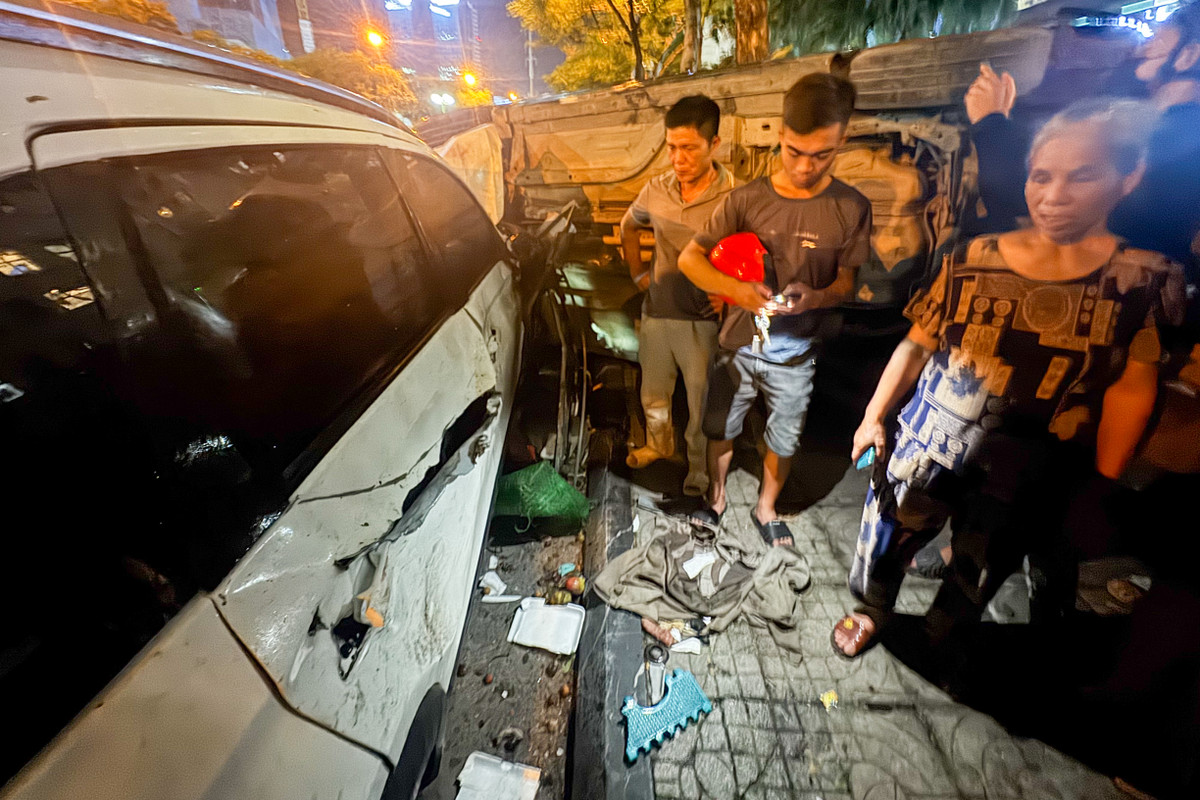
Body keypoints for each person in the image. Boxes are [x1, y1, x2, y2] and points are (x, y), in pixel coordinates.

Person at [832, 99, 1185, 659]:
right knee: (888, 534)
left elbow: (1132, 385)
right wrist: (874, 417)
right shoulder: (972, 258)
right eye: (1041, 176)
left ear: (1128, 176)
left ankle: (942, 630)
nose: (1054, 196)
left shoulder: (1142, 280)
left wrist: (1101, 480)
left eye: (1082, 176)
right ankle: (873, 607)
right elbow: (917, 344)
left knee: (982, 558)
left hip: (1027, 467)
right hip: (926, 446)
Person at [678, 73, 872, 547]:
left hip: (796, 355)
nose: (805, 167)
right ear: (780, 135)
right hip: (737, 346)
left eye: (821, 155)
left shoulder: (851, 207)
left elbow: (847, 282)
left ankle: (766, 508)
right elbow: (689, 259)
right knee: (719, 428)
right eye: (794, 151)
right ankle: (717, 500)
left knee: (784, 438)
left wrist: (817, 297)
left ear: (843, 139)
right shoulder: (746, 199)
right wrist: (737, 291)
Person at [621, 95, 735, 497]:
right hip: (657, 313)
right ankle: (659, 445)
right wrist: (638, 273)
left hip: (702, 321)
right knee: (653, 394)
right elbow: (628, 226)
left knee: (700, 402)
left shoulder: (732, 197)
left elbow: (751, 255)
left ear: (714, 144)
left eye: (688, 148)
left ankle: (699, 469)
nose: (677, 158)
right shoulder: (656, 189)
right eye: (671, 147)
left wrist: (730, 294)